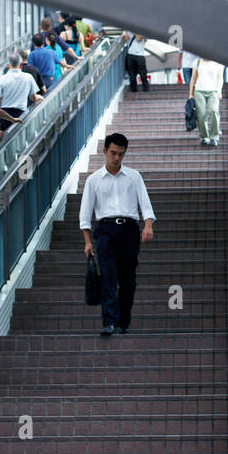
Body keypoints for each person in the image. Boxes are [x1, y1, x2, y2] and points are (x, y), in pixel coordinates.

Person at [79, 133, 155, 337]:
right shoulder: (93, 180)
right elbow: (85, 214)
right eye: (113, 153)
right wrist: (87, 242)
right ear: (105, 151)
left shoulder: (134, 176)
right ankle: (110, 322)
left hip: (129, 230)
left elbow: (145, 205)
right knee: (108, 277)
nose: (116, 158)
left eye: (121, 154)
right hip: (105, 231)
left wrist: (148, 226)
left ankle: (123, 322)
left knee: (128, 280)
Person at [0, 53, 41, 129]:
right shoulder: (28, 77)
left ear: (8, 66)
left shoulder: (1, 79)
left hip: (5, 115)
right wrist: (39, 97)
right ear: (21, 65)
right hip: (21, 114)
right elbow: (33, 98)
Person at [189, 57, 226, 146]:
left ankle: (214, 137)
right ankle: (204, 137)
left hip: (213, 91)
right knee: (201, 114)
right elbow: (193, 78)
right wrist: (191, 94)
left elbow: (220, 78)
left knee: (214, 111)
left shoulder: (219, 63)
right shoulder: (197, 61)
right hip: (199, 91)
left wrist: (219, 91)